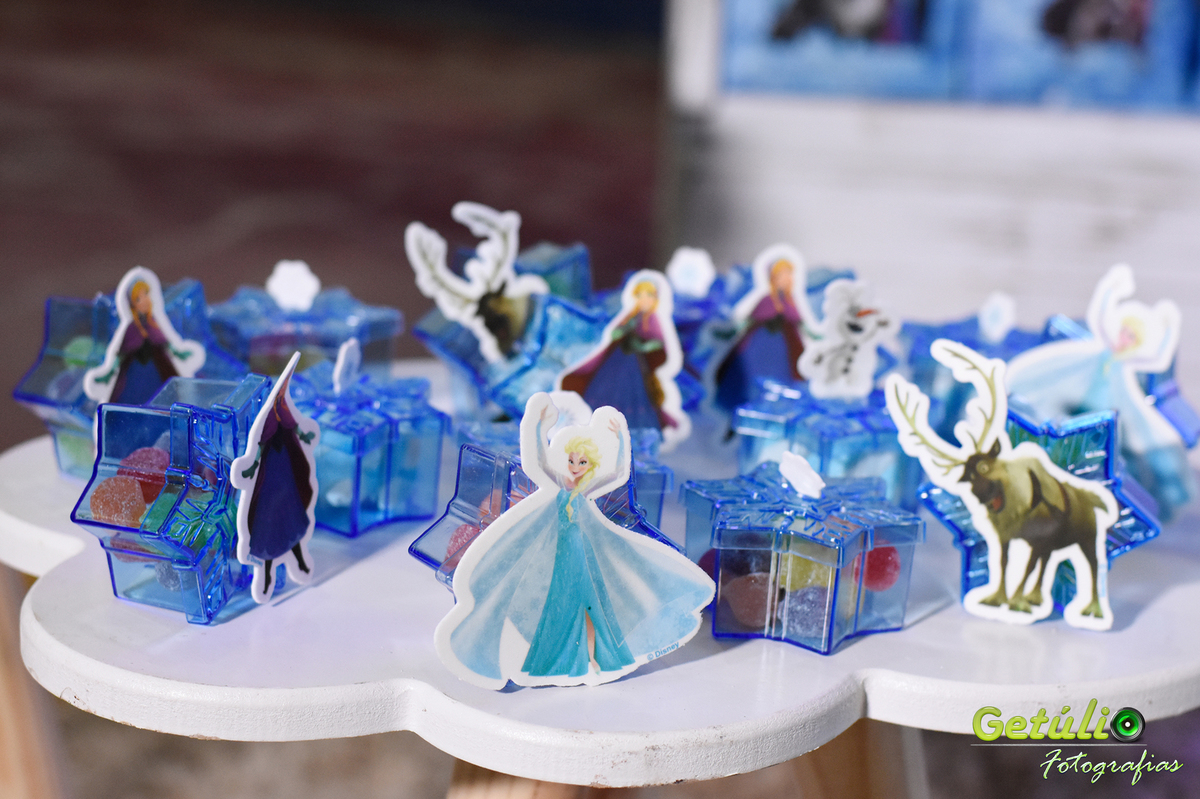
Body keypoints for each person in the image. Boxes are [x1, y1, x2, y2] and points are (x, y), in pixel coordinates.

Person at [436, 395, 713, 688]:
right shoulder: (556, 484)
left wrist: (620, 439)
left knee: (593, 606)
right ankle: (562, 660)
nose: (575, 466)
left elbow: (618, 474)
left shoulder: (588, 490)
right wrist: (536, 426)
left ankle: (592, 661)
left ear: (591, 465)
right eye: (571, 460)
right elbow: (536, 462)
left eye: (582, 462)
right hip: (553, 557)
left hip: (585, 556)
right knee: (554, 608)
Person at [232, 357, 320, 603]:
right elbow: (260, 442)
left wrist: (303, 434)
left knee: (291, 516)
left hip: (285, 470)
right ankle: (266, 575)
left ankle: (299, 562)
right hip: (271, 474)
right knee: (269, 522)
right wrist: (252, 466)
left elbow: (293, 425)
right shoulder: (269, 414)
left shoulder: (283, 407)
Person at [560, 280, 678, 432]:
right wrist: (623, 331)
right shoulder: (630, 316)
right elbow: (614, 333)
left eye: (649, 296)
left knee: (634, 396)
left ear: (655, 299)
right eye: (640, 296)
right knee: (605, 390)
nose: (644, 300)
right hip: (616, 362)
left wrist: (643, 346)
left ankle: (632, 431)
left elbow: (659, 343)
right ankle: (596, 424)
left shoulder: (653, 320)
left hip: (636, 366)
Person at [85, 267, 204, 405]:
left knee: (165, 398)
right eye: (139, 298)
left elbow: (166, 343)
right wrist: (108, 373)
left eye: (146, 294)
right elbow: (120, 354)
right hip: (134, 377)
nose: (145, 301)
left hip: (158, 374)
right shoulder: (131, 329)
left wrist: (180, 353)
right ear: (132, 304)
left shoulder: (154, 325)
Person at [713, 256, 805, 415]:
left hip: (782, 353)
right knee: (749, 381)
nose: (785, 279)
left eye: (788, 275)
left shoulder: (790, 302)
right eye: (781, 275)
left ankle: (780, 407)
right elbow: (748, 323)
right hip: (758, 349)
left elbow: (800, 326)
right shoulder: (767, 300)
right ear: (773, 278)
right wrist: (728, 332)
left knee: (782, 382)